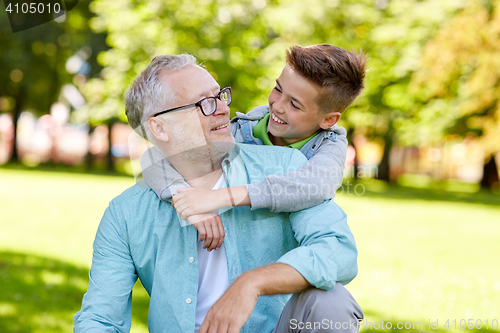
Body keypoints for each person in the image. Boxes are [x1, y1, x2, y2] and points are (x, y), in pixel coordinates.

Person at [74, 54, 363, 332]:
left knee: (330, 300)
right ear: (159, 127)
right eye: (204, 104)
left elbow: (339, 252)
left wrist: (252, 282)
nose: (224, 109)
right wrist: (182, 195)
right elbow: (100, 319)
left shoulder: (290, 166)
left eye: (219, 96)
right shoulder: (127, 213)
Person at [141, 45, 367, 250]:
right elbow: (155, 158)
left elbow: (315, 185)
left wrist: (221, 197)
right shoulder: (241, 130)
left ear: (328, 120)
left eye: (294, 105)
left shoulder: (329, 144)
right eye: (278, 89)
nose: (277, 106)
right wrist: (188, 201)